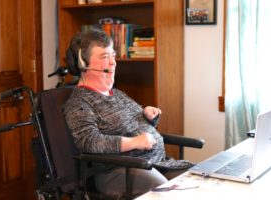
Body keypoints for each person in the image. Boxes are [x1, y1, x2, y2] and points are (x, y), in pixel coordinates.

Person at [63, 28, 193, 198]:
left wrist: (148, 117)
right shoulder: (79, 102)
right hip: (119, 171)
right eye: (104, 57)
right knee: (171, 195)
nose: (113, 63)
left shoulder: (116, 94)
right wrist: (134, 142)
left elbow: (136, 126)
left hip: (157, 164)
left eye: (113, 55)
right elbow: (89, 141)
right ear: (83, 65)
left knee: (202, 181)